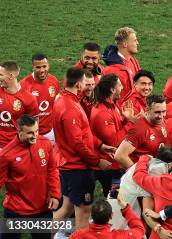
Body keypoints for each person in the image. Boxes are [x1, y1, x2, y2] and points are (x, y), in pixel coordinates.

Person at [52, 67, 113, 231]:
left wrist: (100, 145)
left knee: (67, 208)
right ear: (79, 84)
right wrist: (97, 161)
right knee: (84, 213)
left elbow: (82, 133)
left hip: (66, 164)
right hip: (77, 168)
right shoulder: (70, 107)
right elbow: (78, 143)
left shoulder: (63, 100)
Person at [0, 115, 60, 239]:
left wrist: (55, 194)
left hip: (42, 208)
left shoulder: (45, 143)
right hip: (15, 210)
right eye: (30, 133)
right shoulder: (6, 154)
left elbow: (52, 170)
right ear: (19, 131)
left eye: (37, 131)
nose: (35, 136)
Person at [90, 74, 136, 197]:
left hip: (113, 162)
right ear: (112, 89)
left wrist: (127, 119)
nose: (122, 87)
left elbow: (118, 129)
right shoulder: (102, 113)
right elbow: (114, 141)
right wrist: (131, 123)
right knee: (114, 200)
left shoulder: (112, 105)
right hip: (107, 166)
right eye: (120, 85)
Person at [119, 146, 172, 220]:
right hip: (129, 206)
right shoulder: (157, 173)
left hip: (121, 198)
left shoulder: (148, 160)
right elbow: (147, 212)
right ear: (170, 164)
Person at [114, 95, 169, 168]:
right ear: (147, 110)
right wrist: (137, 173)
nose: (161, 116)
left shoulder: (160, 121)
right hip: (142, 175)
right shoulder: (139, 129)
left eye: (164, 111)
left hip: (153, 171)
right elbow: (120, 155)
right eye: (157, 112)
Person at [19, 53, 60, 140]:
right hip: (32, 134)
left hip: (51, 131)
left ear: (48, 65)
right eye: (38, 67)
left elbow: (55, 104)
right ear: (33, 67)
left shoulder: (54, 81)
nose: (42, 70)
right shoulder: (24, 85)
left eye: (44, 66)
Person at [0, 61, 38, 149]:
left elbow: (34, 126)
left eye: (1, 74)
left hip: (17, 146)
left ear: (10, 76)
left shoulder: (29, 99)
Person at [69, 195, 145, 239]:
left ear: (91, 216)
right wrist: (126, 209)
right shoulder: (119, 236)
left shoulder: (77, 235)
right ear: (111, 216)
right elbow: (140, 230)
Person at [102, 27, 141, 100]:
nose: (137, 43)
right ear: (125, 44)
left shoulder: (133, 60)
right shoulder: (113, 70)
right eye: (135, 41)